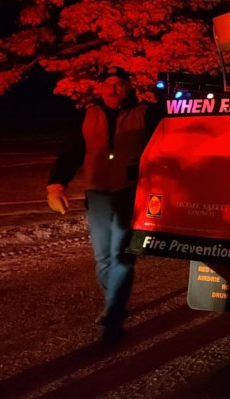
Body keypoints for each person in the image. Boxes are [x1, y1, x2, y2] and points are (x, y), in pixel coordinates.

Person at [45, 66, 160, 344]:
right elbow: (71, 152)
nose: (113, 89)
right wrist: (56, 184)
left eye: (119, 84)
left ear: (129, 87)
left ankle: (114, 318)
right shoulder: (88, 116)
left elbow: (164, 149)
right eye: (107, 84)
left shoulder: (146, 114)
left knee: (121, 257)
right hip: (97, 195)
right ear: (100, 89)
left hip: (131, 194)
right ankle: (115, 301)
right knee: (103, 259)